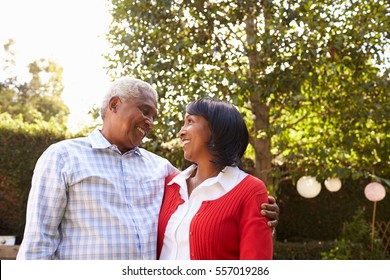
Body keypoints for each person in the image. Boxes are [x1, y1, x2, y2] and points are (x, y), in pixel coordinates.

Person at [17, 77, 278, 260]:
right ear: (115, 105)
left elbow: (213, 190)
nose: (150, 122)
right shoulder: (63, 157)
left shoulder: (163, 170)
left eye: (154, 116)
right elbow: (39, 241)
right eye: (145, 111)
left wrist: (259, 211)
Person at [158, 98, 273, 260]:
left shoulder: (250, 190)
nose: (181, 132)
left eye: (190, 121)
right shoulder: (170, 184)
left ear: (216, 129)